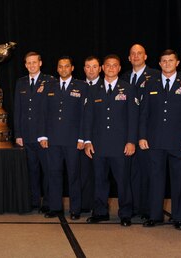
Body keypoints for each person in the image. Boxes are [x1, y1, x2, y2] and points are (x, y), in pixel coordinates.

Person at [138, 49, 181, 229]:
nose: (167, 64)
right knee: (156, 179)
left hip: (179, 142)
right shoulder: (151, 84)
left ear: (177, 63)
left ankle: (178, 217)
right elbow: (144, 113)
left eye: (171, 60)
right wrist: (142, 136)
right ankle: (155, 216)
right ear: (160, 63)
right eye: (164, 61)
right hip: (155, 141)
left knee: (178, 180)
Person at [83, 54, 136, 227]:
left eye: (115, 65)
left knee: (123, 181)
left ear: (119, 68)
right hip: (98, 144)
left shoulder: (128, 89)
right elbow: (88, 118)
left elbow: (132, 118)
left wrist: (131, 141)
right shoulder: (93, 90)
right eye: (108, 65)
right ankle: (100, 212)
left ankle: (125, 213)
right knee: (99, 180)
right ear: (102, 68)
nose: (111, 68)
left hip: (121, 145)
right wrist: (87, 141)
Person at [39, 56, 87, 220]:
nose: (64, 69)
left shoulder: (81, 86)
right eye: (61, 66)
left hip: (73, 140)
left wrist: (82, 138)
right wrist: (43, 135)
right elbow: (44, 112)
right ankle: (55, 207)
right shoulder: (49, 86)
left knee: (74, 175)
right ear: (57, 69)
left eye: (67, 66)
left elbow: (84, 115)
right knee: (54, 173)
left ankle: (75, 209)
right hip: (53, 139)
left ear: (72, 68)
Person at [121, 44, 161, 220]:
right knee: (130, 173)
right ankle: (134, 207)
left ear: (145, 57)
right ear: (129, 58)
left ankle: (147, 209)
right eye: (132, 54)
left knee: (147, 172)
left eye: (139, 53)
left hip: (147, 133)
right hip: (126, 133)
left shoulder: (155, 76)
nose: (136, 56)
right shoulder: (123, 77)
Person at [13, 52, 56, 213]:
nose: (31, 65)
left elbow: (51, 111)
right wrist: (18, 134)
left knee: (47, 170)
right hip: (26, 134)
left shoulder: (50, 81)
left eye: (34, 62)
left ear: (40, 63)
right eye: (28, 63)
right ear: (25, 65)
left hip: (43, 135)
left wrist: (48, 134)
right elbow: (18, 110)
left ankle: (48, 201)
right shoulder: (21, 82)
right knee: (31, 170)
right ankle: (34, 200)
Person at [80, 56, 101, 213]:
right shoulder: (78, 86)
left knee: (99, 175)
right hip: (80, 137)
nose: (91, 70)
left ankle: (99, 206)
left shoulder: (105, 86)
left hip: (101, 138)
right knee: (84, 173)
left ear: (100, 68)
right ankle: (85, 204)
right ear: (84, 69)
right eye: (88, 66)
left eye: (94, 66)